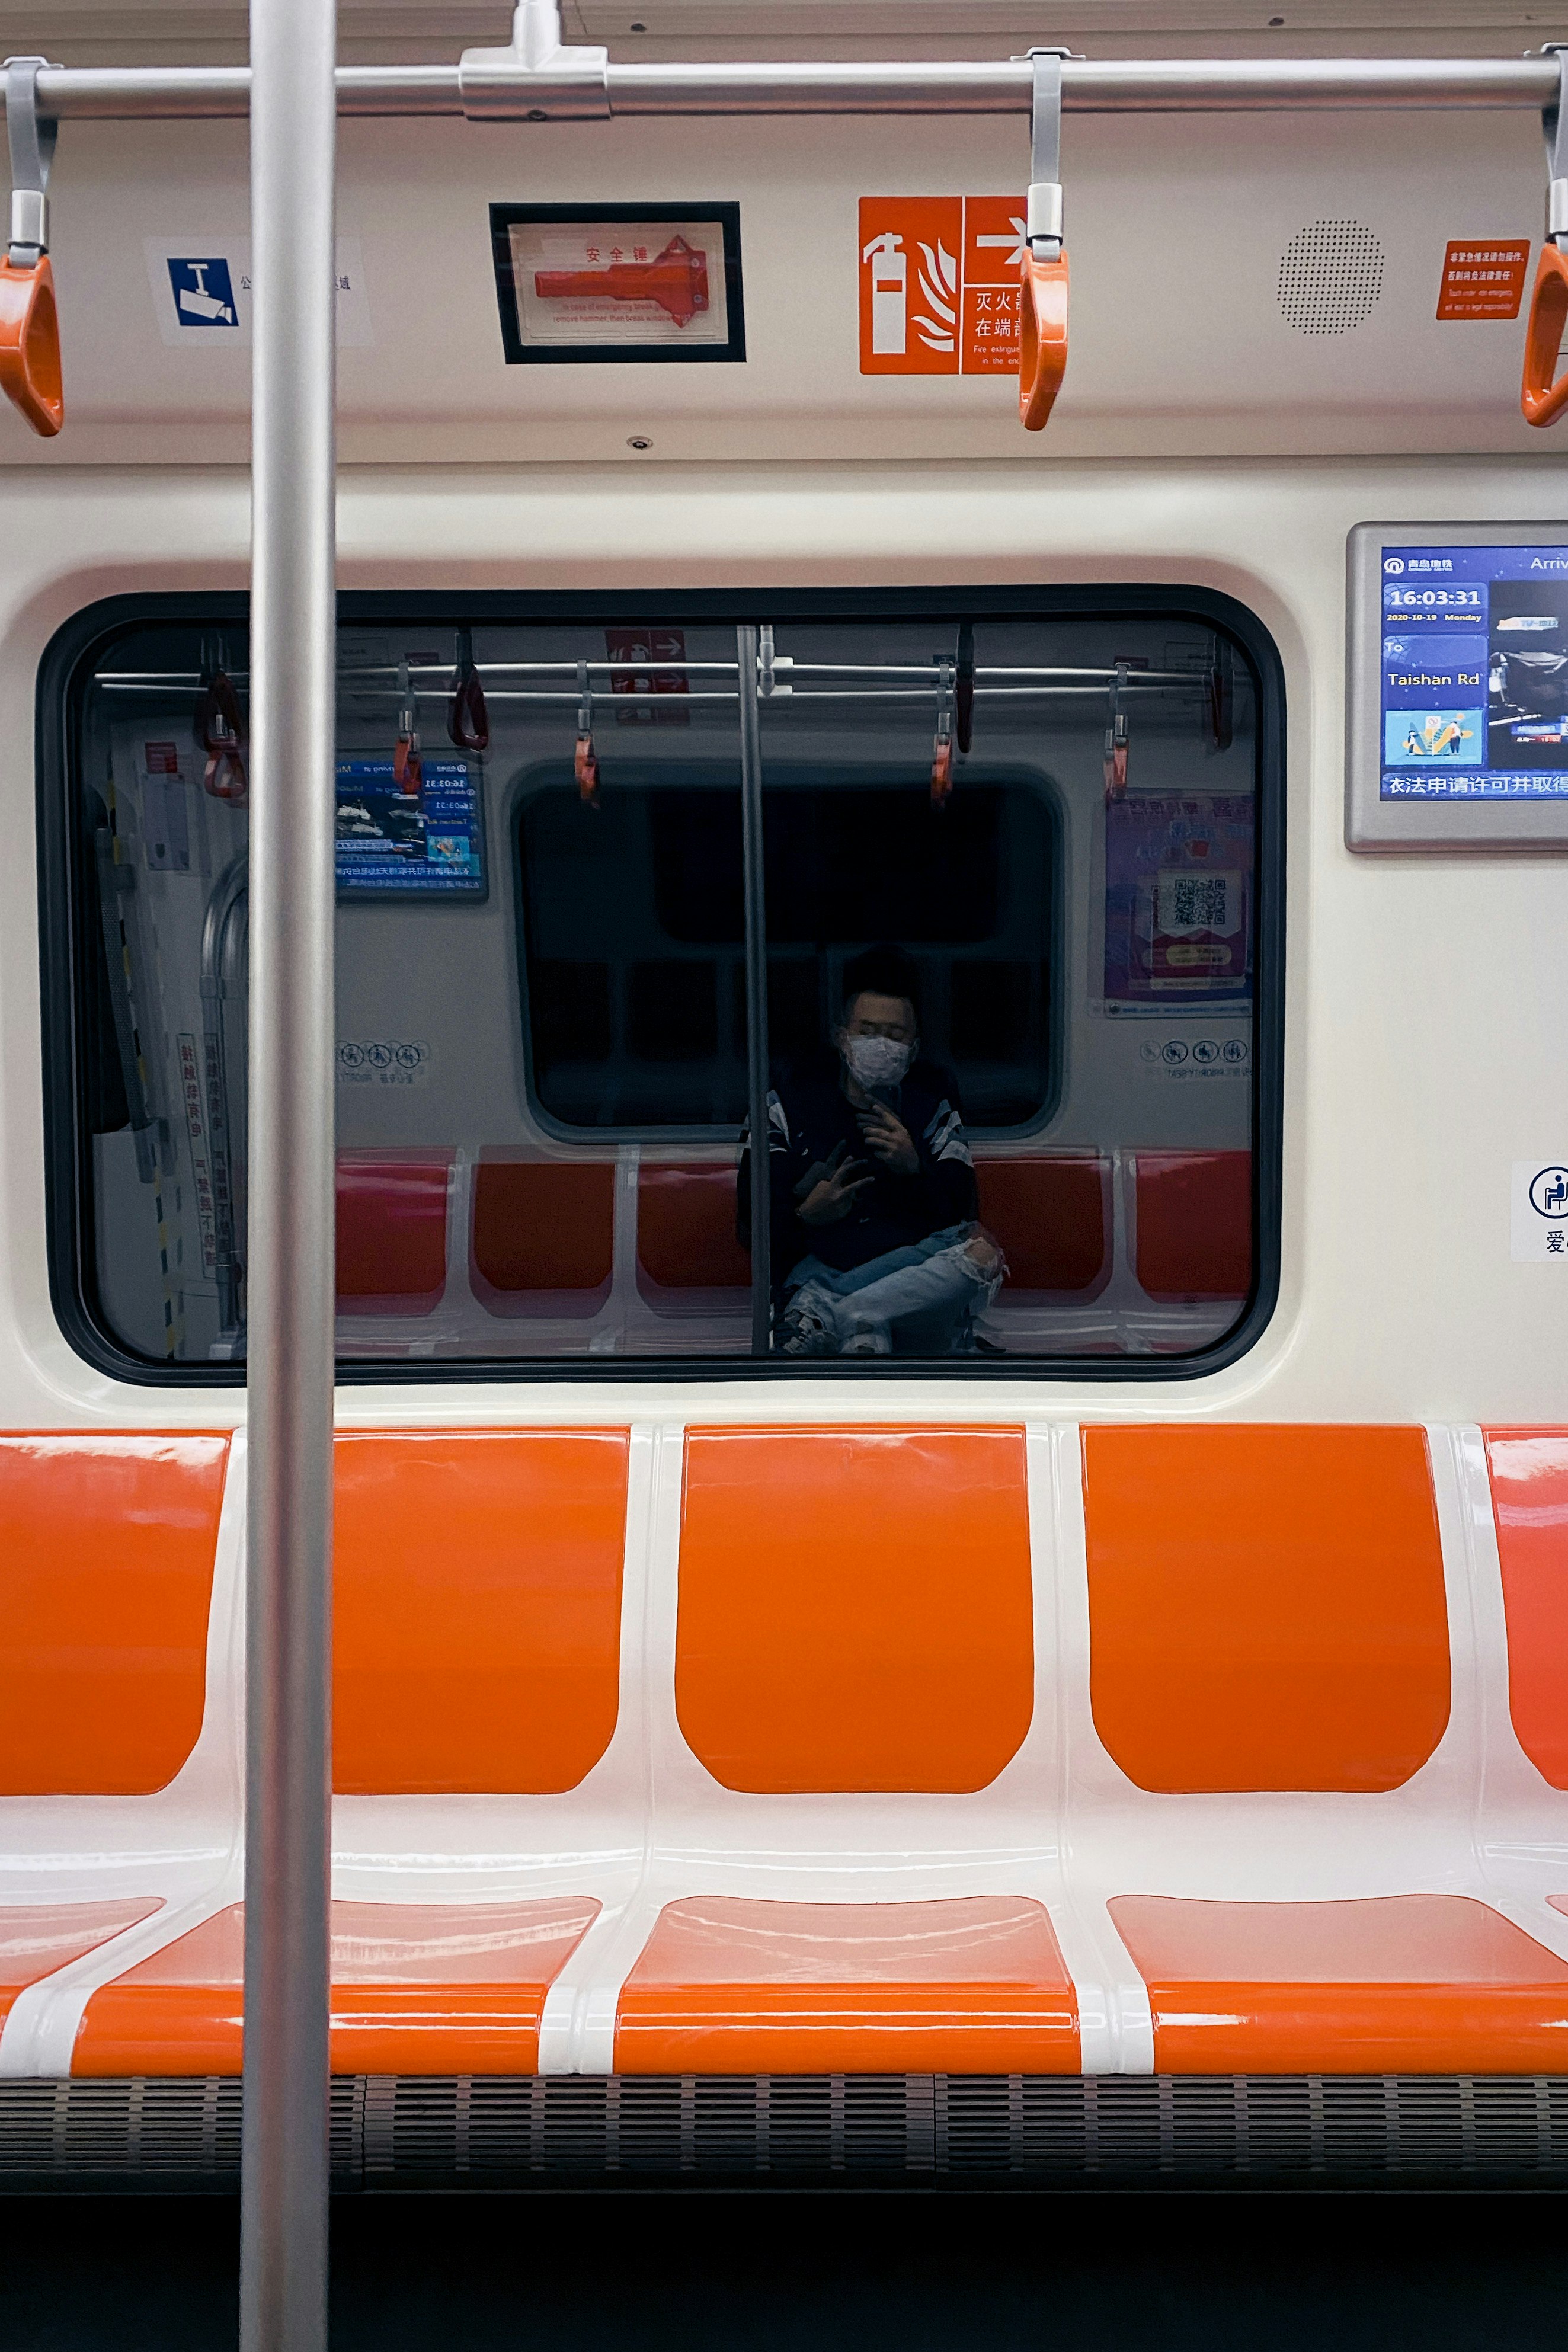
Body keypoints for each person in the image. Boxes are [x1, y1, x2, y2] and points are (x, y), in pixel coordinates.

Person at [738, 945, 1004, 1355]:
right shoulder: (789, 1102)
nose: (881, 1045)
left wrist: (914, 1168)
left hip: (911, 1276)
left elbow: (961, 1213)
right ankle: (859, 1314)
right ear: (840, 1037)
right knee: (873, 1335)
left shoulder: (930, 1104)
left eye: (895, 1037)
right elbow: (748, 1230)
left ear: (913, 1049)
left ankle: (832, 1310)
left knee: (980, 1252)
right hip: (818, 1266)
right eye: (867, 1032)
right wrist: (807, 1215)